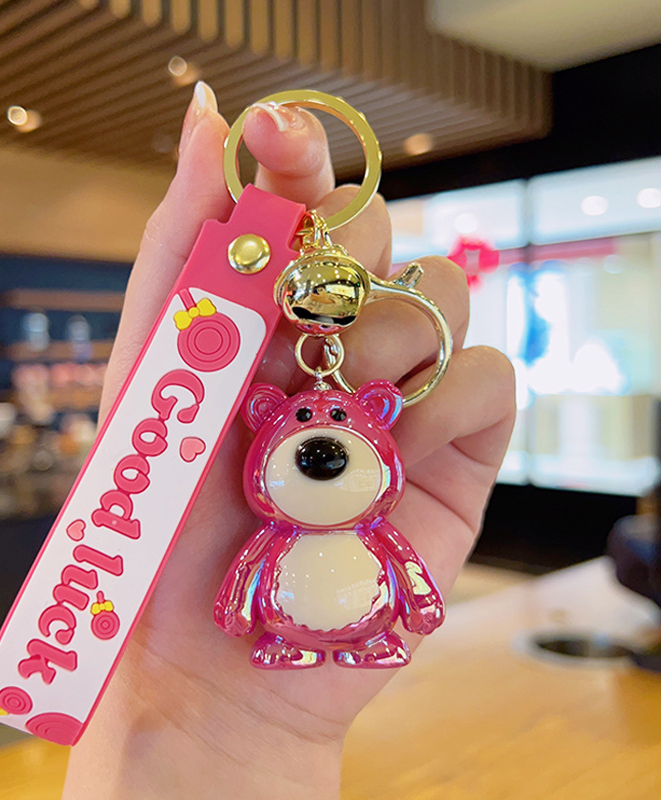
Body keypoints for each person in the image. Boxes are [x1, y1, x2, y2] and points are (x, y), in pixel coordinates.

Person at [62, 82, 516, 799]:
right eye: (301, 429)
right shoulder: (271, 518)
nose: (324, 452)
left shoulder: (375, 519)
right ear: (265, 415)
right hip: (260, 638)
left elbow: (402, 562)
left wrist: (250, 742)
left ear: (375, 412)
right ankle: (289, 646)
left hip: (348, 637)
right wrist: (210, 683)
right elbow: (248, 569)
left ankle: (355, 641)